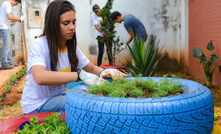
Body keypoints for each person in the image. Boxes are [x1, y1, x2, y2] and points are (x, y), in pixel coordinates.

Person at [20, 0, 127, 114]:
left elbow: (91, 68)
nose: (72, 27)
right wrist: (79, 75)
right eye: (66, 23)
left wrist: (106, 72)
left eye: (74, 22)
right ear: (53, 24)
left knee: (90, 96)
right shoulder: (39, 45)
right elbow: (40, 77)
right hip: (38, 103)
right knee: (85, 104)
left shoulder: (71, 47)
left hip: (58, 97)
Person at [0, 0, 24, 69]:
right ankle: (4, 63)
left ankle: (9, 62)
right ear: (13, 0)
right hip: (4, 27)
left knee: (9, 45)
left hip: (6, 27)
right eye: (16, 3)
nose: (15, 5)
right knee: (7, 45)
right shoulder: (7, 4)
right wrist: (19, 19)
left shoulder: (7, 4)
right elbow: (10, 17)